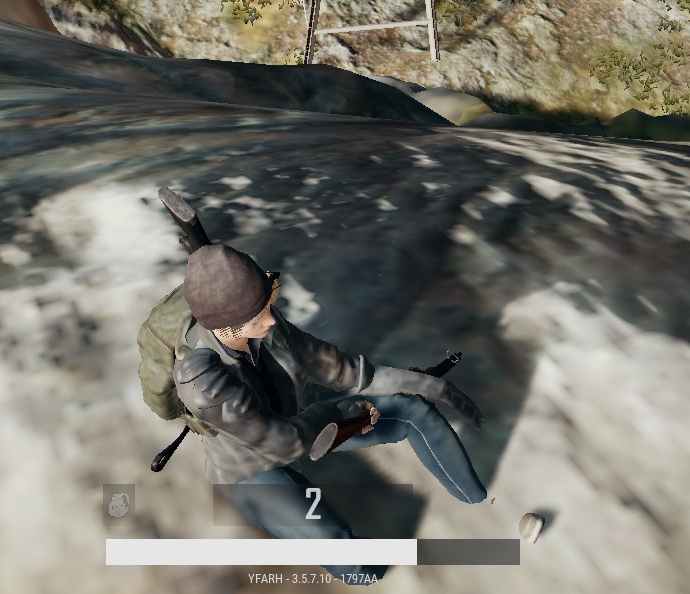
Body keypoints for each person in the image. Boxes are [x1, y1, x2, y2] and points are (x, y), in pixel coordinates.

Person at [174, 244, 489, 585]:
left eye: (267, 305)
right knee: (351, 559)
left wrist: (424, 383)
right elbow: (286, 444)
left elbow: (347, 372)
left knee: (413, 409)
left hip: (308, 424)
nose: (271, 318)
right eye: (257, 315)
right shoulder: (202, 380)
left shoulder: (268, 328)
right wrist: (341, 413)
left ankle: (474, 497)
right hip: (251, 471)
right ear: (227, 326)